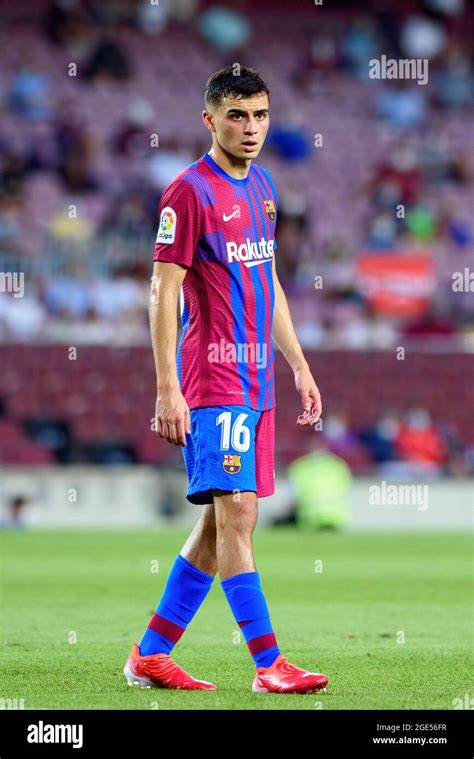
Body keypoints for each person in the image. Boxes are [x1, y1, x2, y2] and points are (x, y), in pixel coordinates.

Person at [123, 66, 328, 695]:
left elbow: (268, 289)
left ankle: (150, 654)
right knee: (237, 513)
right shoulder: (188, 193)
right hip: (212, 377)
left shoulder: (264, 187)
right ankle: (269, 665)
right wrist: (167, 387)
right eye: (237, 116)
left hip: (258, 379)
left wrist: (298, 364)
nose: (251, 128)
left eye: (260, 114)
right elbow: (163, 290)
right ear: (209, 119)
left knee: (220, 527)